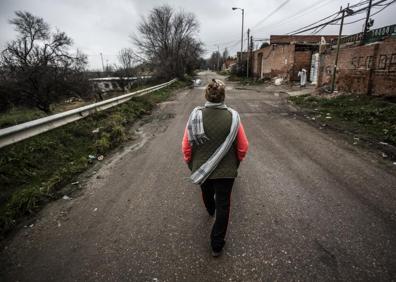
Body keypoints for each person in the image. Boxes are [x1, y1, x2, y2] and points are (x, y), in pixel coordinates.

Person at [181, 79, 249, 257]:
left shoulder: (195, 115)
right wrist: (236, 162)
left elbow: (186, 147)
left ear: (206, 95)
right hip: (226, 172)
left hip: (201, 168)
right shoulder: (233, 117)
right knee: (224, 205)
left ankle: (210, 210)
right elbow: (243, 147)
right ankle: (217, 244)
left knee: (207, 193)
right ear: (223, 96)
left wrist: (191, 164)